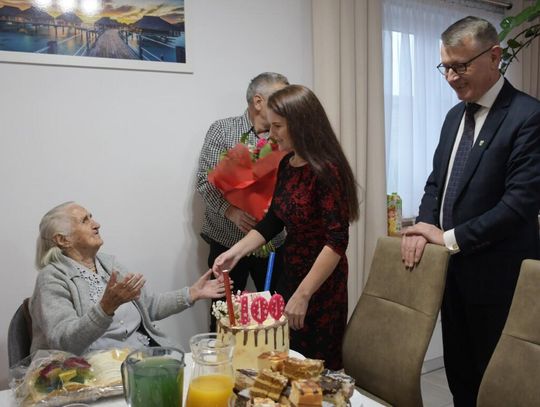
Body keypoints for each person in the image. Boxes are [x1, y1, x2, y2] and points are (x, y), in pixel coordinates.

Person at [401, 16, 540, 406]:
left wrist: (448, 238)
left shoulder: (528, 116)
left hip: (501, 280)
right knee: (460, 377)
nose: (450, 77)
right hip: (451, 277)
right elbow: (436, 183)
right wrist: (424, 224)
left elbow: (519, 205)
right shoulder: (453, 117)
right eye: (445, 66)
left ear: (494, 56)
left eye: (460, 66)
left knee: (500, 386)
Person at [212, 85, 360, 370]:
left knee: (314, 370)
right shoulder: (288, 165)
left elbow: (337, 241)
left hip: (320, 285)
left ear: (301, 124)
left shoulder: (327, 169)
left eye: (278, 126)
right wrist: (235, 252)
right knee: (283, 361)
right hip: (290, 274)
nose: (271, 133)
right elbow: (273, 220)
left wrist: (304, 295)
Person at [30, 201, 226, 355]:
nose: (96, 224)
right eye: (84, 221)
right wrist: (105, 308)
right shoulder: (52, 278)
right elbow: (63, 342)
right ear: (63, 239)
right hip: (93, 373)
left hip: (141, 359)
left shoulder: (109, 265)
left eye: (91, 217)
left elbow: (149, 306)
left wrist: (191, 293)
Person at [196, 72, 289, 330]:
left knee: (276, 317)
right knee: (224, 317)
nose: (286, 103)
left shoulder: (286, 134)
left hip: (272, 243)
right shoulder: (222, 131)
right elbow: (205, 182)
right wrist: (231, 211)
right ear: (258, 101)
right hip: (226, 242)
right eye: (280, 97)